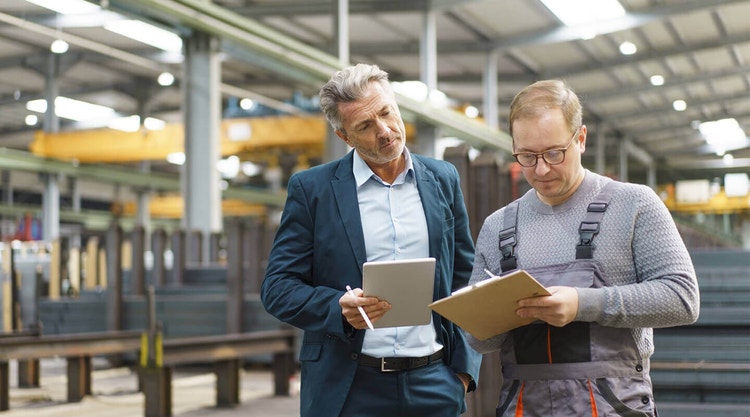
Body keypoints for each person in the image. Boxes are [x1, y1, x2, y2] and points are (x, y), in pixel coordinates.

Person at [467, 79, 700, 416]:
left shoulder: (633, 204)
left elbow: (682, 298)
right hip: (523, 405)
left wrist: (582, 304)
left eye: (553, 153)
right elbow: (480, 341)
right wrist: (489, 315)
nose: (541, 168)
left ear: (581, 138)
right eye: (527, 156)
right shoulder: (498, 227)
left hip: (613, 405)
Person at [261, 63, 482, 417]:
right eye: (365, 125)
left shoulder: (443, 179)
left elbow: (465, 278)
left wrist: (462, 373)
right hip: (349, 388)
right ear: (344, 137)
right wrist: (337, 308)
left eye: (386, 113)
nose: (385, 131)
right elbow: (277, 288)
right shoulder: (312, 190)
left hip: (435, 383)